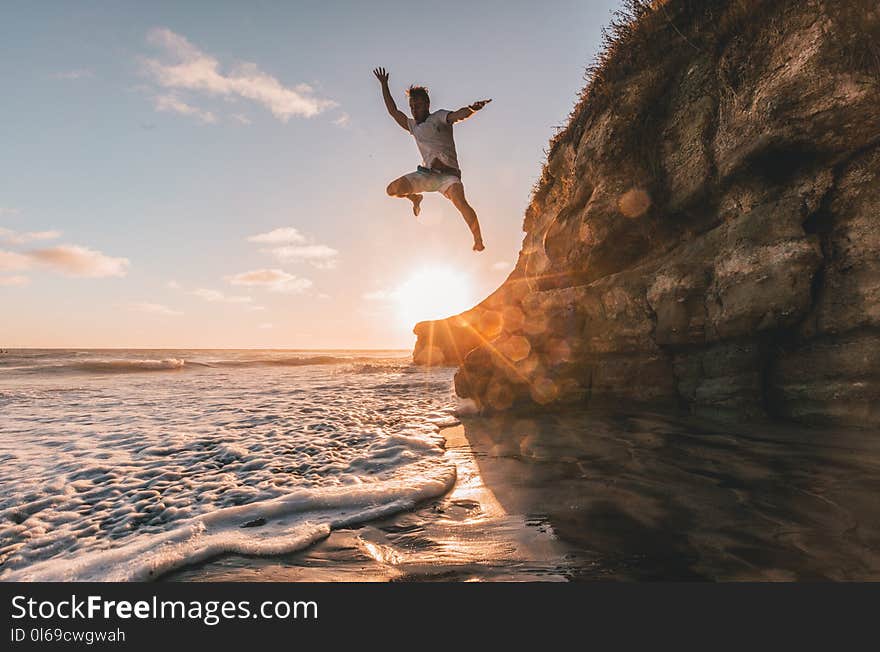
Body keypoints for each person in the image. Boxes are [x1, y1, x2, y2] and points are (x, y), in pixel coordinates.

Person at [373, 66, 490, 252]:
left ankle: (478, 240)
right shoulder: (413, 126)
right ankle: (415, 198)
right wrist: (384, 85)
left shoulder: (438, 117)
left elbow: (457, 115)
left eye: (417, 106)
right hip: (427, 176)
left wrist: (471, 109)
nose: (414, 110)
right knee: (391, 190)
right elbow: (394, 111)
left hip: (449, 177)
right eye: (412, 106)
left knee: (461, 203)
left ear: (427, 104)